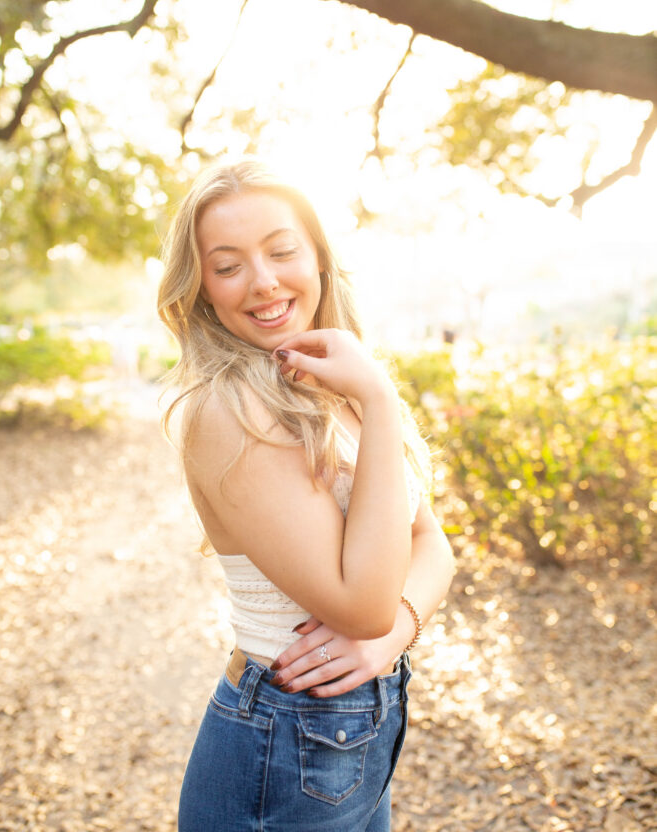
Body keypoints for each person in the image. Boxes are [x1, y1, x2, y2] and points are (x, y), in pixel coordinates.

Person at [157, 161, 455, 831]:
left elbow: (431, 542)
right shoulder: (225, 409)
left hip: (359, 729)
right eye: (227, 264)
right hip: (285, 740)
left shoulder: (334, 380)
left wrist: (392, 637)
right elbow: (359, 606)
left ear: (318, 256)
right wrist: (377, 398)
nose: (263, 281)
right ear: (201, 287)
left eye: (281, 250)